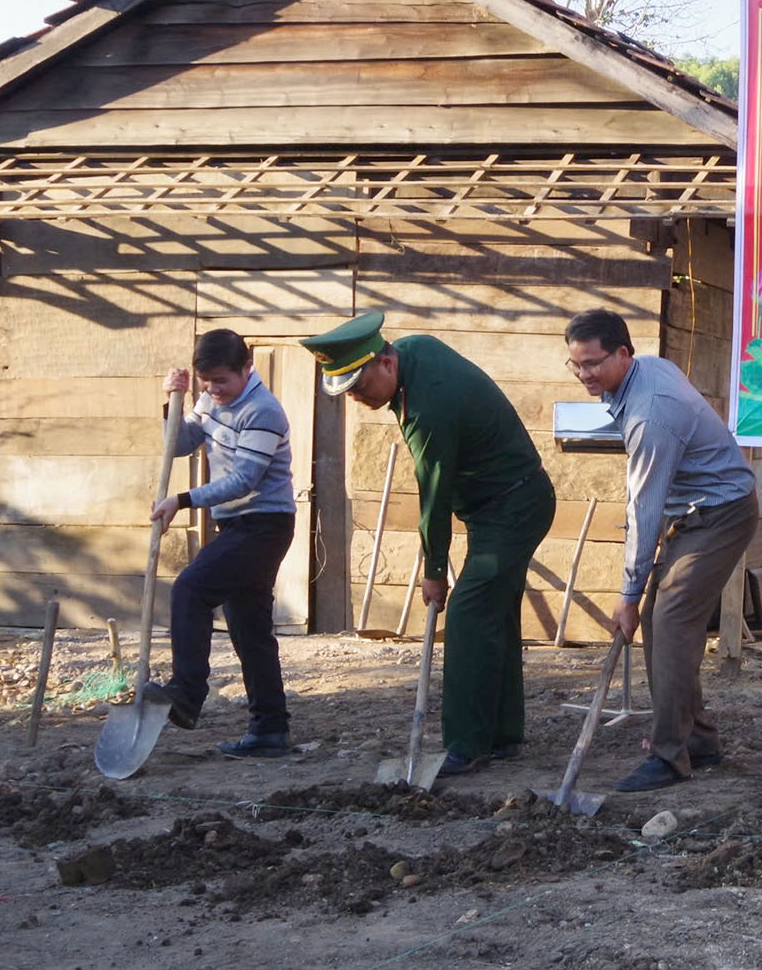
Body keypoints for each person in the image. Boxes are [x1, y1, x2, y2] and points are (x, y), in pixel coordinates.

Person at [300, 311, 555, 777]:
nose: (357, 399)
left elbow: (432, 497)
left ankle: (466, 745)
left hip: (513, 507)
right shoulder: (416, 351)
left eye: (359, 387)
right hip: (503, 501)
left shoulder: (426, 409)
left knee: (467, 612)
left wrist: (434, 571)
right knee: (494, 611)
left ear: (385, 363)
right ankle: (502, 735)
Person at [564, 309, 759, 792]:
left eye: (594, 364)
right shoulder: (644, 371)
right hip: (694, 511)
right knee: (660, 622)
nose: (586, 375)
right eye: (576, 365)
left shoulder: (651, 415)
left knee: (669, 620)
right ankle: (699, 741)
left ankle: (670, 755)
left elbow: (644, 510)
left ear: (624, 354)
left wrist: (627, 596)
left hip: (721, 512)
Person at [146, 329, 296, 757]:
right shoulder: (209, 399)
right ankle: (270, 729)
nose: (214, 390)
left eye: (222, 381)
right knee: (250, 629)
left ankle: (187, 694)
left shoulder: (263, 411)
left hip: (264, 525)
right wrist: (170, 402)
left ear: (247, 368)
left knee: (191, 588)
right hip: (236, 527)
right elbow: (179, 445)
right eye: (206, 381)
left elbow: (244, 480)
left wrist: (184, 500)